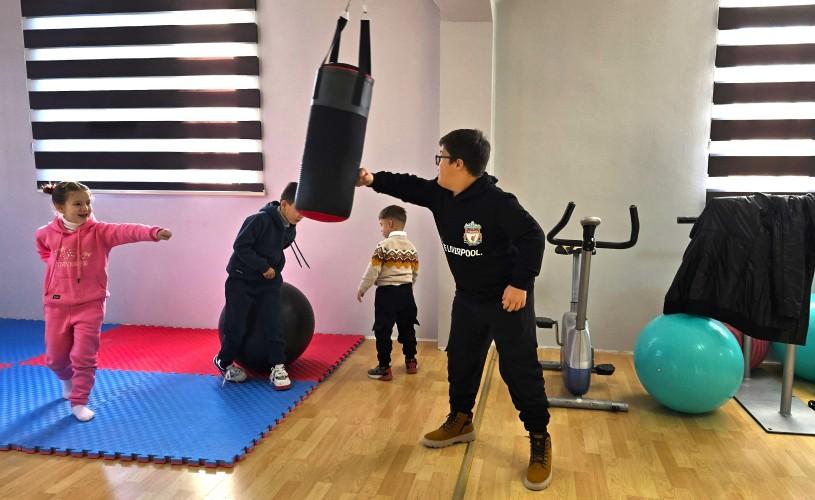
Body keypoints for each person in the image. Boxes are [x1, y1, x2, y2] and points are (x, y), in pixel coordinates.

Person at [355, 129, 552, 491]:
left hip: (507, 299)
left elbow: (533, 236)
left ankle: (539, 438)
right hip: (469, 298)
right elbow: (410, 186)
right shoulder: (442, 195)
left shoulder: (498, 202)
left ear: (458, 163)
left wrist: (520, 283)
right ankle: (461, 420)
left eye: (441, 156)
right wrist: (372, 180)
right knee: (461, 360)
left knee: (519, 370)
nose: (438, 163)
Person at [36, 181, 172, 422]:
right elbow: (43, 250)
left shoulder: (100, 233)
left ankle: (80, 402)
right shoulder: (45, 233)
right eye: (77, 203)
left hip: (90, 304)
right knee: (55, 359)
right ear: (59, 206)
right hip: (56, 304)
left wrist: (152, 232)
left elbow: (126, 230)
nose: (85, 208)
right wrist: (52, 266)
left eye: (87, 203)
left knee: (83, 356)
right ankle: (67, 381)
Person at [214, 182, 304, 390]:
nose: (301, 216)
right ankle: (224, 361)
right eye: (298, 210)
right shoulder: (259, 220)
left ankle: (278, 366)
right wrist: (263, 267)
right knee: (236, 325)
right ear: (283, 204)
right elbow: (240, 246)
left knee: (274, 324)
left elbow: (278, 249)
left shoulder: (291, 229)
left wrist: (272, 269)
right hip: (241, 279)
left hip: (268, 283)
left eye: (304, 212)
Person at [357, 205, 420, 381]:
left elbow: (373, 270)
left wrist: (363, 287)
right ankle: (411, 360)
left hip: (387, 293)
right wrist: (408, 286)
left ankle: (384, 367)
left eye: (381, 224)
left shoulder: (383, 246)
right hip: (406, 293)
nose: (381, 229)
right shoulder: (411, 247)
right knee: (408, 327)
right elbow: (415, 272)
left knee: (383, 329)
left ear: (390, 223)